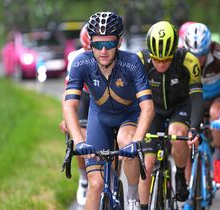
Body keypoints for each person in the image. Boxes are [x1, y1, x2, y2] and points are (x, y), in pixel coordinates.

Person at [63, 11, 155, 210]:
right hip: (100, 118)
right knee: (95, 184)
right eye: (97, 44)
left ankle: (131, 196)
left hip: (128, 116)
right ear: (90, 43)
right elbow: (69, 105)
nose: (103, 50)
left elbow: (147, 107)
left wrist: (137, 141)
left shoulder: (131, 62)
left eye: (109, 44)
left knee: (126, 141)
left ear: (119, 43)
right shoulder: (81, 63)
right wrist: (79, 141)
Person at [137, 21, 203, 209]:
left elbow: (197, 97)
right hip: (152, 109)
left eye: (166, 59)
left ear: (175, 51)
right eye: (156, 59)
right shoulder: (140, 60)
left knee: (177, 133)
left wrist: (194, 128)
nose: (161, 64)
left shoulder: (188, 61)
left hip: (179, 106)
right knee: (148, 164)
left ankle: (180, 175)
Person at [182, 22, 220, 185]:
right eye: (194, 55)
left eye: (202, 55)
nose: (198, 59)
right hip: (193, 100)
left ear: (209, 47)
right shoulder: (181, 55)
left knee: (216, 113)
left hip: (215, 98)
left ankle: (218, 158)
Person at [60, 25, 91, 206]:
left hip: (105, 95)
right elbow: (68, 92)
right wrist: (66, 117)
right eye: (87, 49)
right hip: (84, 95)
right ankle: (84, 179)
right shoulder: (75, 58)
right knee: (80, 136)